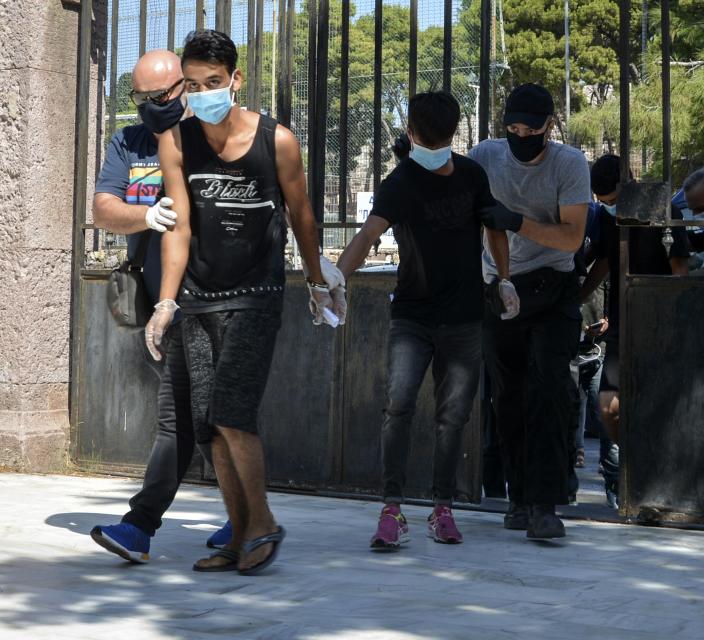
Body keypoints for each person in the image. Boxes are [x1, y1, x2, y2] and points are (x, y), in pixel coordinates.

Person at [153, 29, 341, 574]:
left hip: (257, 294)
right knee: (210, 424)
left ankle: (263, 523)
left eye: (213, 81)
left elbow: (302, 214)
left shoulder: (276, 140)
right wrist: (166, 302)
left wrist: (316, 278)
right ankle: (237, 534)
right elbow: (180, 225)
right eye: (192, 84)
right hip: (198, 298)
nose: (203, 92)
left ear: (235, 79)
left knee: (234, 411)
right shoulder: (176, 141)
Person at [337, 91, 515, 548]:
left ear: (411, 132)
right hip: (413, 317)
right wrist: (336, 277)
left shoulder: (473, 176)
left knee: (452, 417)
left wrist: (505, 278)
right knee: (398, 405)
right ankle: (392, 508)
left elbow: (494, 224)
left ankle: (443, 508)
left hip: (463, 317)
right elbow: (368, 234)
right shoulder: (401, 182)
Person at [89, 49, 231, 564]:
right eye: (140, 99)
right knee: (181, 418)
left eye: (159, 97)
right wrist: (147, 215)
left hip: (218, 299)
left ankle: (243, 518)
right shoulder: (128, 142)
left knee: (217, 415)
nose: (150, 107)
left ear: (186, 88)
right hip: (166, 303)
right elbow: (103, 207)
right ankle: (143, 526)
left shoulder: (214, 137)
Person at [470, 83, 591, 540]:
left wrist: (516, 221)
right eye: (513, 128)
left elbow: (571, 238)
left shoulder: (569, 163)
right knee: (509, 397)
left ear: (549, 126)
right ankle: (518, 498)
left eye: (531, 129)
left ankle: (545, 504)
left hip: (553, 289)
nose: (522, 135)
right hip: (499, 290)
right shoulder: (486, 154)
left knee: (548, 391)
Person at [580, 155, 691, 506]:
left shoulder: (664, 211)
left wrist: (672, 321)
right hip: (622, 324)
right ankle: (634, 468)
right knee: (610, 407)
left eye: (612, 202)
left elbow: (679, 271)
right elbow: (605, 261)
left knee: (658, 406)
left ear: (626, 183)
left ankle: (657, 482)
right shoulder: (609, 221)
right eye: (603, 204)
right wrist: (575, 296)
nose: (609, 209)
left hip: (657, 325)